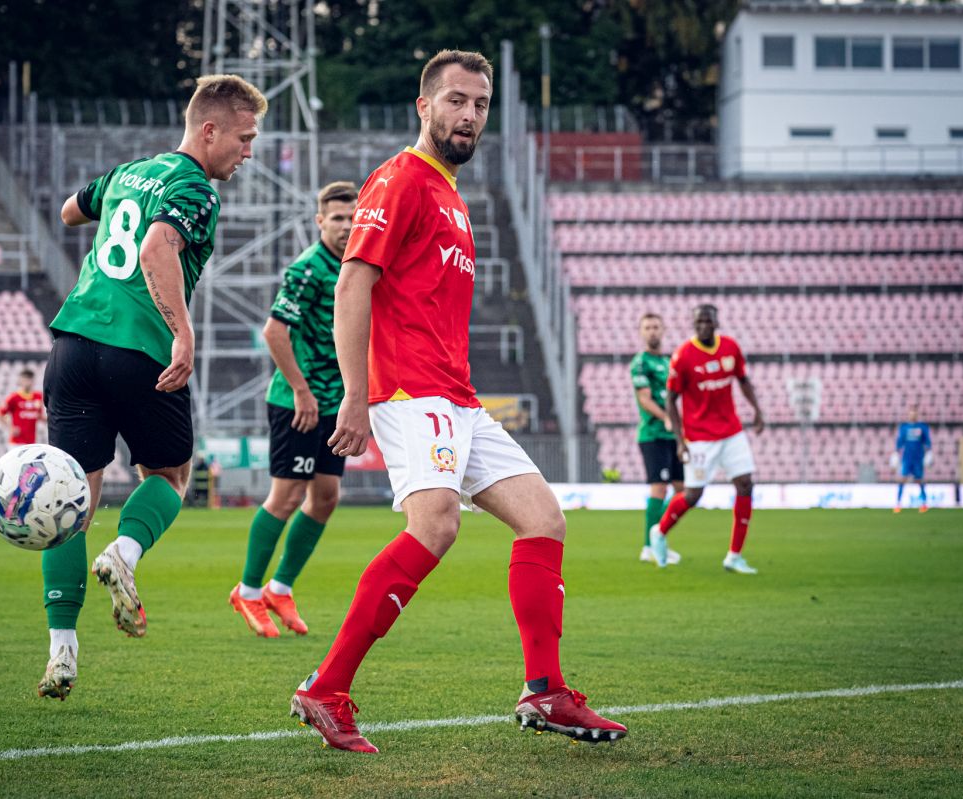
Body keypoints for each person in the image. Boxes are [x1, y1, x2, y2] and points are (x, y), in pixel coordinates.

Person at [287, 50, 627, 753]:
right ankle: (327, 687)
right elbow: (353, 284)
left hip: (457, 397)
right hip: (410, 389)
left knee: (544, 519)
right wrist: (355, 394)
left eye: (479, 104)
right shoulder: (401, 178)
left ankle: (546, 690)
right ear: (424, 106)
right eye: (456, 101)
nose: (469, 115)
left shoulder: (451, 195)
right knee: (437, 524)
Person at [35, 74, 267, 700]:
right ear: (209, 130)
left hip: (73, 345)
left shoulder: (130, 171)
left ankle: (62, 652)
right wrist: (183, 333)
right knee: (170, 476)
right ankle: (126, 554)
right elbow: (157, 250)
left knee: (72, 505)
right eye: (243, 139)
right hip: (139, 351)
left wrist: (117, 211)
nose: (248, 152)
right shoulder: (195, 188)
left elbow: (69, 211)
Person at [230, 181, 358, 638]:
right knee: (286, 497)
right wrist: (302, 392)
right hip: (298, 403)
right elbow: (274, 331)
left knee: (325, 498)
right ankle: (247, 591)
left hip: (334, 404)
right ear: (320, 221)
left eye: (353, 217)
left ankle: (279, 589)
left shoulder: (355, 268)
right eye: (337, 218)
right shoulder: (307, 269)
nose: (346, 226)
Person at [649, 304, 765, 575]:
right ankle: (659, 531)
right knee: (693, 495)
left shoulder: (731, 348)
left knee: (745, 484)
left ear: (715, 322)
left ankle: (734, 556)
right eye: (698, 322)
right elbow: (671, 399)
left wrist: (757, 410)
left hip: (731, 431)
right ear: (693, 325)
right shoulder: (683, 356)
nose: (703, 326)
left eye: (707, 321)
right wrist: (680, 440)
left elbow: (743, 380)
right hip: (699, 437)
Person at [629, 313, 682, 564]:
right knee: (659, 488)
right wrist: (666, 417)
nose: (652, 331)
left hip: (675, 435)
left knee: (683, 491)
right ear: (641, 332)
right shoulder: (641, 362)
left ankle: (659, 536)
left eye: (656, 327)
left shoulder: (671, 361)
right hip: (653, 435)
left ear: (663, 330)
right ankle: (649, 546)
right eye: (647, 327)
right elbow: (645, 399)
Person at [894, 405, 932, 513]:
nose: (912, 415)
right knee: (902, 479)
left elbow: (927, 441)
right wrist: (896, 452)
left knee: (919, 480)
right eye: (911, 413)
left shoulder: (922, 427)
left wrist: (929, 453)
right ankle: (898, 503)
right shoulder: (904, 427)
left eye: (914, 413)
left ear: (917, 414)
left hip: (918, 458)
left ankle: (924, 503)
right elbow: (900, 441)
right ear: (908, 414)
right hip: (907, 458)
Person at [0, 368, 45, 445]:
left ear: (33, 381)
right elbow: (0, 414)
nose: (27, 382)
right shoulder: (14, 397)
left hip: (31, 442)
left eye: (29, 379)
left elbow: (39, 416)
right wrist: (10, 428)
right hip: (17, 442)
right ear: (20, 381)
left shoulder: (38, 397)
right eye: (25, 379)